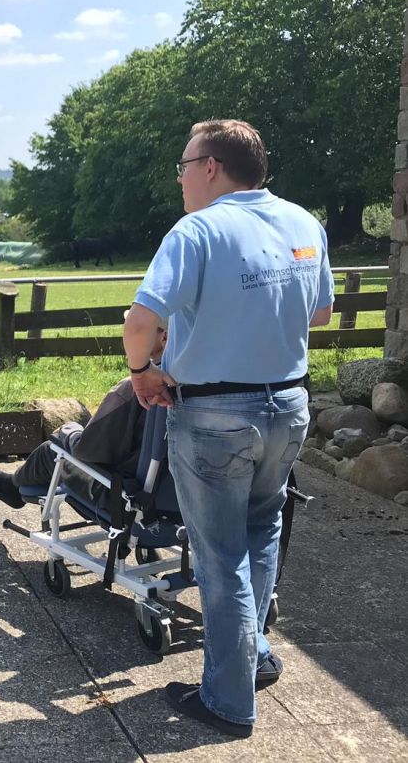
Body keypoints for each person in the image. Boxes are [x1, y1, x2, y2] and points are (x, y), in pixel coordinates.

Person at [123, 119, 333, 739]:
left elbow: (140, 321)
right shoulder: (304, 223)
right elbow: (319, 311)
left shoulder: (198, 230)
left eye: (184, 165)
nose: (182, 178)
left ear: (211, 166)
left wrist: (142, 373)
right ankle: (256, 655)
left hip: (214, 413)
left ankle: (229, 700)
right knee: (261, 532)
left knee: (219, 556)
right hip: (289, 407)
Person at [0, 318, 167, 508]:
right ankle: (13, 485)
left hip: (125, 497)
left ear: (165, 336)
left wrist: (68, 431)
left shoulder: (134, 388)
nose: (128, 333)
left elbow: (87, 449)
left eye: (139, 328)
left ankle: (12, 488)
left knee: (52, 450)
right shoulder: (190, 390)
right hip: (175, 503)